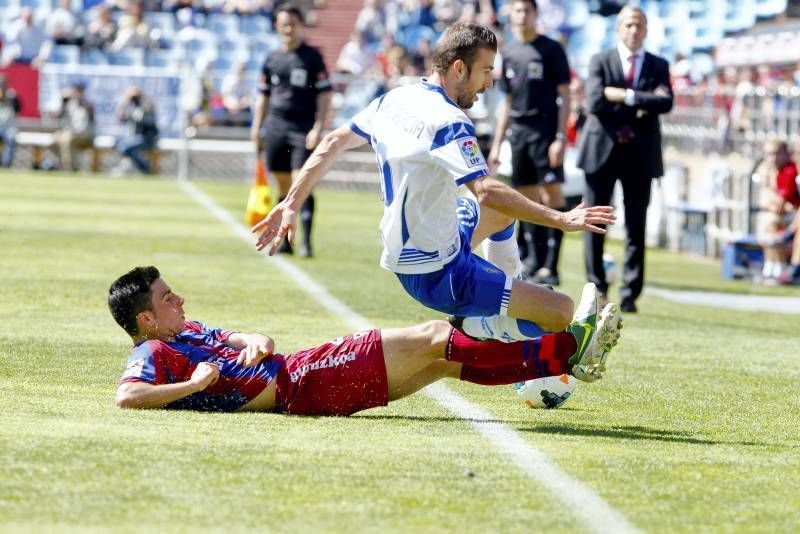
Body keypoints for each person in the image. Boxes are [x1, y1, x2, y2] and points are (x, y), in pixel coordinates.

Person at [253, 21, 618, 348]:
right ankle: (479, 324)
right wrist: (562, 219)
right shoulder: (448, 121)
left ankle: (509, 291)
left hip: (411, 250)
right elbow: (486, 189)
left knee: (500, 213)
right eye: (486, 71)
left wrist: (290, 203)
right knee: (560, 311)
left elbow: (332, 142)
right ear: (459, 68)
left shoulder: (395, 97)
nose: (490, 82)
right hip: (439, 273)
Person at [110, 266, 622, 413]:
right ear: (146, 321)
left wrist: (255, 337)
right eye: (167, 298)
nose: (179, 299)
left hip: (295, 372)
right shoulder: (153, 350)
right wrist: (192, 385)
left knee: (442, 361)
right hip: (297, 385)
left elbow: (236, 335)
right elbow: (127, 396)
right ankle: (568, 348)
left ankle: (567, 358)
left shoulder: (190, 329)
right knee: (434, 336)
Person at [576, 6, 673, 313]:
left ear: (646, 30)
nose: (634, 30)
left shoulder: (658, 65)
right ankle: (597, 287)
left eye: (639, 25)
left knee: (636, 226)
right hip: (601, 152)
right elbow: (594, 102)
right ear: (619, 28)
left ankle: (631, 293)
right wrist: (643, 104)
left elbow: (666, 102)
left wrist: (624, 96)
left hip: (639, 156)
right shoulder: (599, 61)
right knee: (595, 221)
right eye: (629, 24)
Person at [488, 0, 571, 286]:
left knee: (553, 196)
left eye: (527, 10)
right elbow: (507, 103)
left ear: (536, 14)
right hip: (519, 135)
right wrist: (498, 144)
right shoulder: (508, 52)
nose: (522, 16)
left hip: (546, 133)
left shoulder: (551, 49)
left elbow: (565, 95)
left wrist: (561, 137)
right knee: (527, 200)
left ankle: (553, 264)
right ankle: (536, 264)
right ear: (511, 14)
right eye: (518, 10)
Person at [249, 3, 332, 258]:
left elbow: (325, 95)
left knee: (301, 183)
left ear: (301, 26)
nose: (288, 29)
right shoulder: (272, 59)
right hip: (276, 127)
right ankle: (285, 241)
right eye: (284, 24)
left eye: (293, 24)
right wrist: (257, 127)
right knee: (284, 185)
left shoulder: (312, 57)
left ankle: (306, 241)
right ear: (277, 26)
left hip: (302, 128)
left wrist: (319, 126)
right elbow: (263, 96)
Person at [755, 138, 799, 283]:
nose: (772, 158)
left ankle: (780, 270)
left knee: (772, 223)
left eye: (776, 153)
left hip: (792, 215)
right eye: (769, 154)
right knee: (768, 223)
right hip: (788, 216)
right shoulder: (769, 170)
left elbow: (782, 204)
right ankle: (771, 268)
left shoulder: (790, 171)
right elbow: (764, 200)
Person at [113, 86, 159, 175]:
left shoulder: (147, 104)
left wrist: (138, 95)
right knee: (117, 143)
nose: (134, 99)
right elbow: (120, 118)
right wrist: (125, 101)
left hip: (148, 138)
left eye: (135, 97)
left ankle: (145, 168)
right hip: (136, 138)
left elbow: (144, 116)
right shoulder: (132, 107)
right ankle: (141, 168)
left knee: (124, 147)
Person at [54, 83, 96, 172]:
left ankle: (71, 167)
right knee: (55, 141)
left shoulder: (87, 104)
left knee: (68, 141)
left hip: (86, 135)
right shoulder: (70, 104)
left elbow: (85, 124)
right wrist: (63, 102)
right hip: (70, 134)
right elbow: (58, 117)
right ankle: (60, 164)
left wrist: (80, 101)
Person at [0, 75, 21, 168]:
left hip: (8, 126)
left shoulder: (12, 96)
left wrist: (11, 97)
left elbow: (18, 109)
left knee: (11, 138)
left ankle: (6, 164)